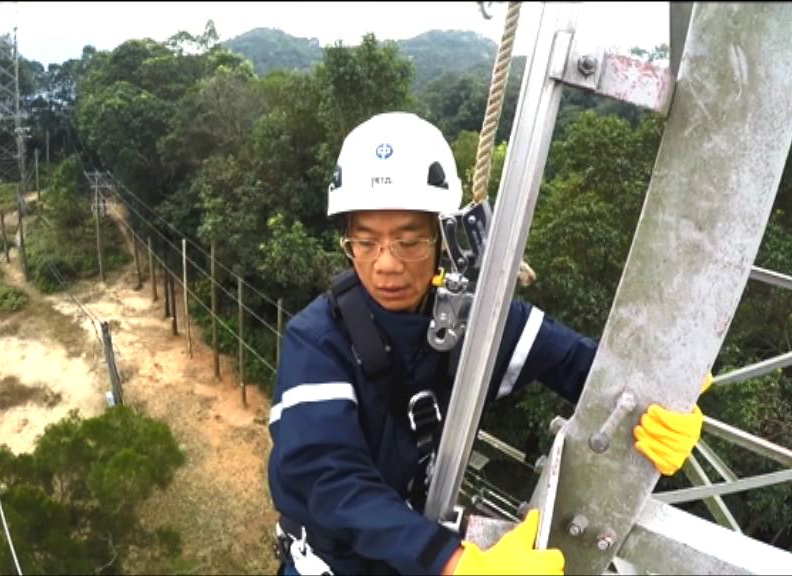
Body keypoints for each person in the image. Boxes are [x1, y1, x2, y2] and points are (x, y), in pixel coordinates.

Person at [267, 112, 709, 575]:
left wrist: (665, 402)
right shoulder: (317, 341)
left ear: (443, 239)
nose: (386, 265)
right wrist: (456, 563)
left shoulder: (474, 324)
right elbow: (329, 479)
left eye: (409, 241)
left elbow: (586, 368)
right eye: (365, 243)